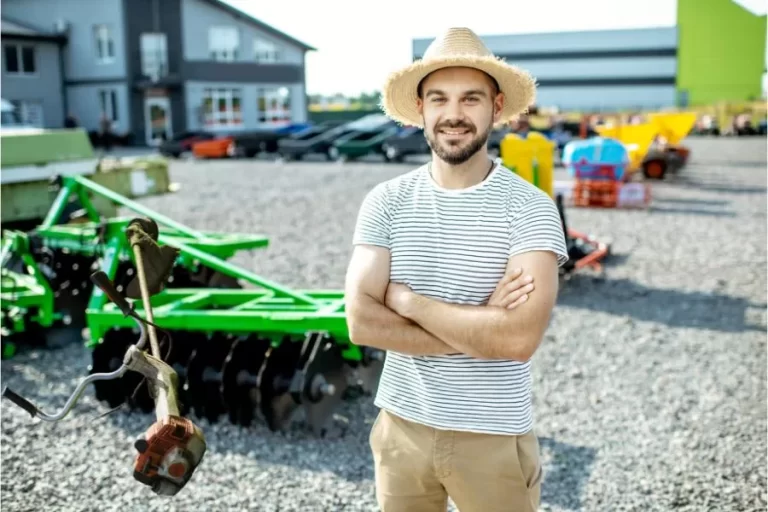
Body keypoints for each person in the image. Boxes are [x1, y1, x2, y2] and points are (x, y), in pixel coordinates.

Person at [344, 27, 569, 512]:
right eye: (439, 98)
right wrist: (478, 327)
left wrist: (408, 302)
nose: (454, 115)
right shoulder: (386, 202)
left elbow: (516, 340)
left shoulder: (529, 209)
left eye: (470, 99)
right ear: (420, 109)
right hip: (401, 425)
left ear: (496, 106)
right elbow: (361, 322)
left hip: (494, 436)